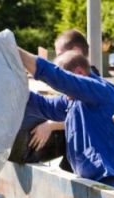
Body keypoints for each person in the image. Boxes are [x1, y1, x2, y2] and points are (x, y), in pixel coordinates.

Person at [17, 48, 114, 192]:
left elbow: (59, 79)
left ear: (79, 73)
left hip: (110, 181)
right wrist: (14, 87)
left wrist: (16, 52)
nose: (63, 92)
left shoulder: (101, 90)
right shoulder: (72, 101)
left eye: (65, 87)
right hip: (91, 181)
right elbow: (44, 106)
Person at [9, 29, 96, 169]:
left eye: (60, 55)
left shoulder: (92, 84)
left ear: (76, 51)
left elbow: (86, 117)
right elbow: (52, 105)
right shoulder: (69, 89)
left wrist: (50, 125)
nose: (57, 63)